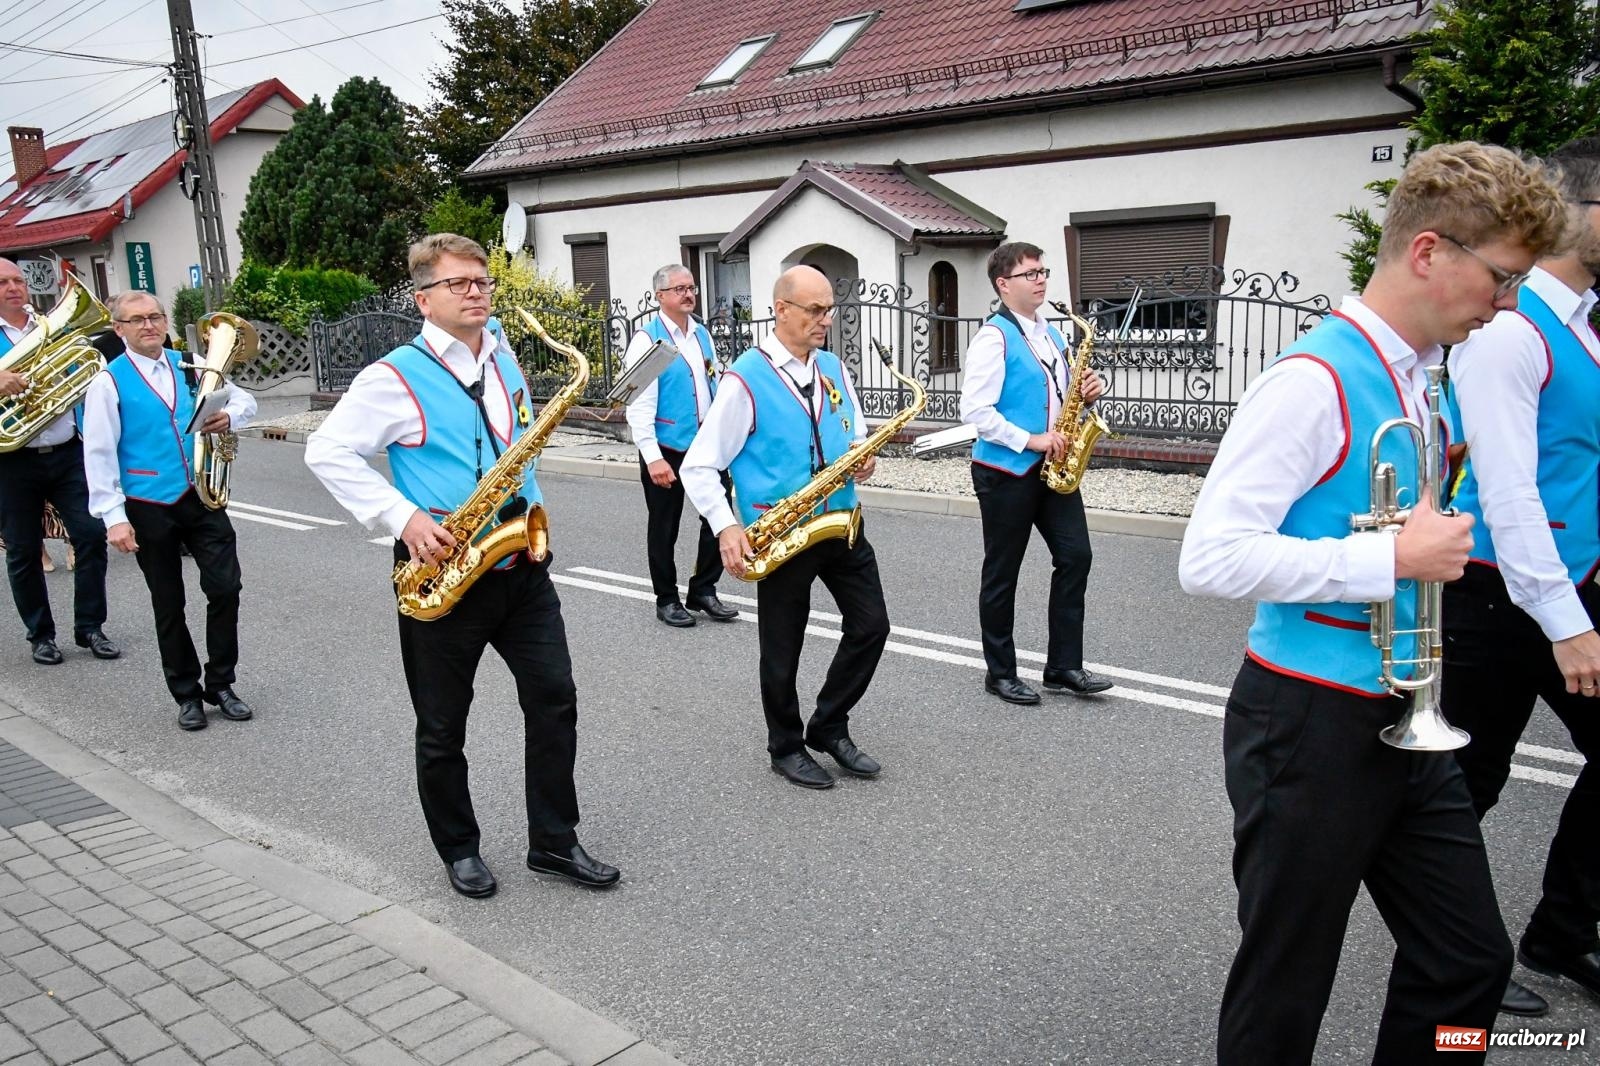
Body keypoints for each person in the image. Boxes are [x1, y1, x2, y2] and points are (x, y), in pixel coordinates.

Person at [1179, 141, 1567, 1064]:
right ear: (1430, 252)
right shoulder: (1312, 380)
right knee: (1285, 987)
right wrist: (1390, 555)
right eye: (1502, 277)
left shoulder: (1419, 376)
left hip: (1403, 710)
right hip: (1306, 721)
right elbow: (1210, 557)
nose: (1507, 303)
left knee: (1470, 961)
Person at [305, 233, 618, 899]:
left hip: (518, 561)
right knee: (444, 724)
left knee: (554, 698)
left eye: (482, 281)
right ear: (424, 298)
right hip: (442, 567)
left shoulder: (502, 356)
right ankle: (459, 848)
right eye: (459, 283)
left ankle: (553, 840)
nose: (476, 292)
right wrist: (405, 519)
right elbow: (326, 451)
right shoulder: (391, 377)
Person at [1441, 134, 1600, 1015]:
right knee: (1468, 783)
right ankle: (1456, 954)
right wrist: (1565, 620)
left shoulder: (1584, 325)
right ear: (1572, 209)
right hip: (1499, 589)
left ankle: (1562, 932)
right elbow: (1507, 488)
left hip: (1570, 581)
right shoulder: (1509, 330)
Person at [680, 264, 890, 790]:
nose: (826, 319)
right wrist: (727, 527)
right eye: (815, 310)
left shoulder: (832, 367)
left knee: (872, 626)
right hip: (781, 531)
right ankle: (785, 746)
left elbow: (853, 430)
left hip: (840, 520)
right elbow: (699, 465)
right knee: (783, 648)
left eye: (829, 309)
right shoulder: (745, 378)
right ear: (781, 310)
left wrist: (862, 456)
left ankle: (829, 724)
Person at [81, 291, 256, 730]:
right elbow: (98, 453)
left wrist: (230, 417)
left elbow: (245, 401)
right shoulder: (108, 382)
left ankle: (221, 683)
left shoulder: (191, 363)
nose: (149, 325)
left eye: (155, 317)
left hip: (200, 495)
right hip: (147, 503)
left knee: (226, 588)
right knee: (168, 602)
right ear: (119, 329)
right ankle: (186, 693)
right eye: (137, 320)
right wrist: (114, 518)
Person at [958, 242, 1111, 706]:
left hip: (1053, 468)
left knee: (1076, 556)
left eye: (1043, 271)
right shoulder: (994, 338)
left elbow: (1059, 395)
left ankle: (1063, 665)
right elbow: (975, 411)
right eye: (1031, 274)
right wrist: (1031, 439)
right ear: (1004, 284)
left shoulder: (1053, 335)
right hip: (1005, 470)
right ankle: (1000, 673)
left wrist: (1087, 393)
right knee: (1003, 572)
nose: (1041, 279)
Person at [0, 257, 118, 666]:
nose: (14, 287)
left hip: (68, 450)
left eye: (18, 280)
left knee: (91, 535)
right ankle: (41, 636)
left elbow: (85, 370)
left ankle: (91, 627)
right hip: (12, 460)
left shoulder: (51, 327)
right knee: (23, 550)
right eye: (3, 282)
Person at [623, 264, 737, 627]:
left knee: (718, 514)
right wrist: (652, 457)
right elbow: (638, 403)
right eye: (679, 289)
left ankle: (703, 589)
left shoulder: (701, 334)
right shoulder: (648, 340)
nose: (688, 294)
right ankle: (667, 599)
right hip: (666, 447)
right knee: (664, 526)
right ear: (660, 296)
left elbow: (712, 381)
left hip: (704, 446)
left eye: (691, 288)